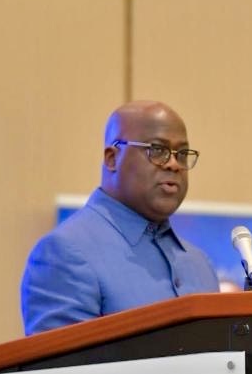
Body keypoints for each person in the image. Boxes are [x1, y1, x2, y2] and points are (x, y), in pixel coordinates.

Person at [21, 100, 219, 335]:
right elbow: (64, 359)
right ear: (112, 158)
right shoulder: (64, 252)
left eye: (182, 154)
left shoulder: (199, 263)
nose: (174, 164)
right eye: (157, 150)